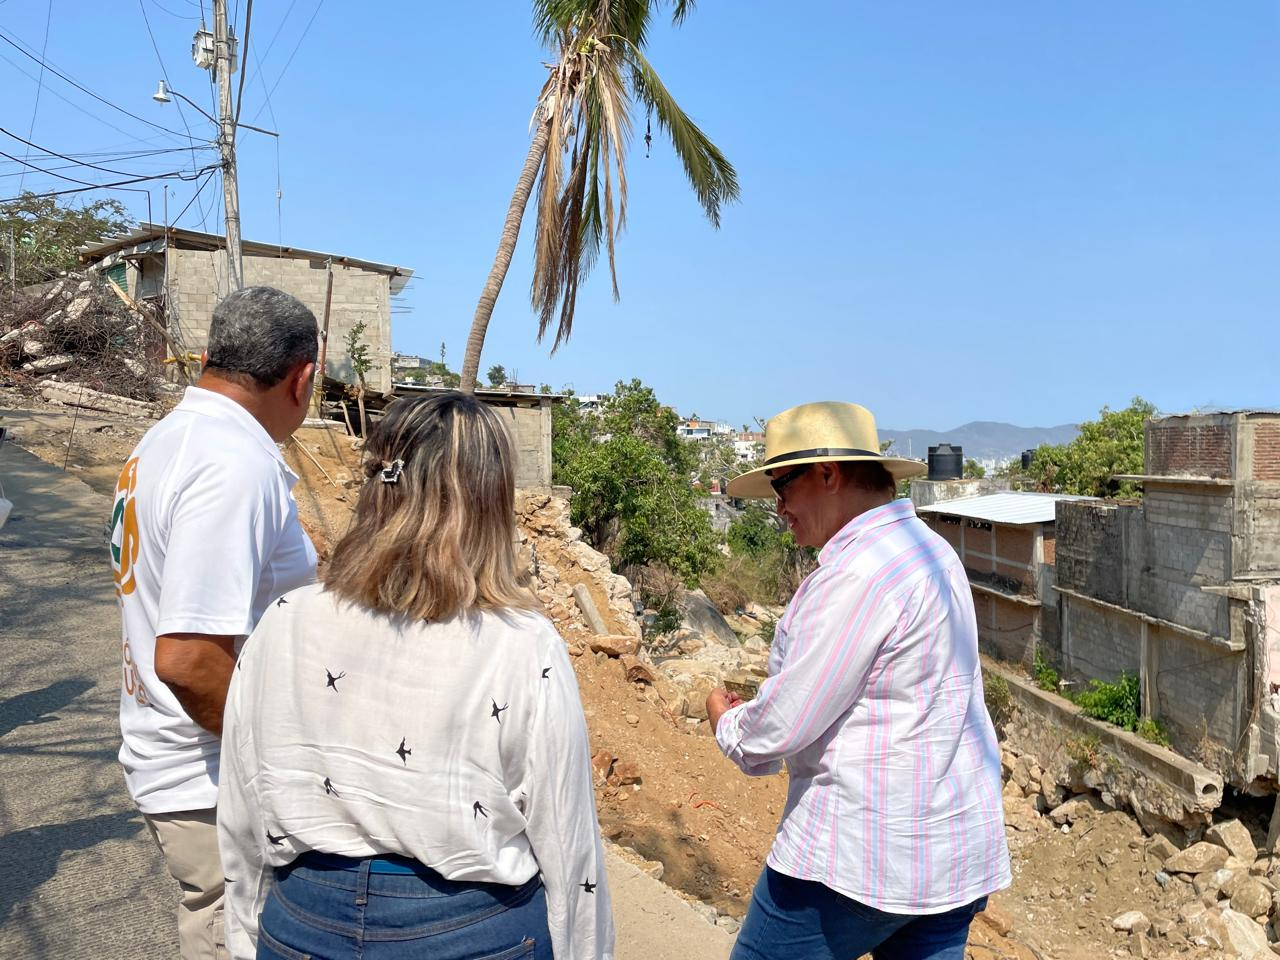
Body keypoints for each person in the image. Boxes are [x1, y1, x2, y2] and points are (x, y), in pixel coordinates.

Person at [217, 392, 613, 960]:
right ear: (489, 502)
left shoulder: (285, 623)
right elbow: (568, 843)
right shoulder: (522, 647)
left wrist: (247, 936)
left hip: (304, 919)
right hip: (471, 929)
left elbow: (243, 806)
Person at [707, 401, 1010, 960]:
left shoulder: (856, 573)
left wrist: (727, 721)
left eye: (782, 485)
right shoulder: (933, 551)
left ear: (827, 474)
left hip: (856, 859)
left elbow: (781, 727)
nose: (778, 507)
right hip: (949, 855)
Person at [109, 286, 321, 960]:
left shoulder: (168, 439)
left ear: (210, 357)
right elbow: (188, 659)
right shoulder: (233, 463)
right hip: (210, 779)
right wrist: (275, 752)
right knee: (233, 939)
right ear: (302, 378)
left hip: (172, 756)